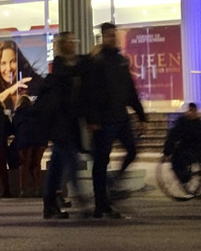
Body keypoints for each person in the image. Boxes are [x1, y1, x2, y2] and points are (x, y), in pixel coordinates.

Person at [84, 22, 147, 220]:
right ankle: (101, 205)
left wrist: (141, 115)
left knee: (132, 150)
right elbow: (90, 92)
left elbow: (130, 90)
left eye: (114, 35)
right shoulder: (97, 60)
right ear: (103, 37)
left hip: (120, 117)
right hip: (103, 120)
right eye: (109, 35)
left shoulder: (120, 60)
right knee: (101, 162)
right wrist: (92, 119)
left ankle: (112, 185)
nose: (113, 38)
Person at [38, 32, 84, 218]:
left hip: (69, 124)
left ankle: (49, 204)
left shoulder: (74, 64)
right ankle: (80, 197)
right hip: (60, 124)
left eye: (75, 40)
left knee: (57, 165)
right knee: (70, 161)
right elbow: (62, 94)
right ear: (62, 44)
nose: (73, 43)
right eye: (70, 41)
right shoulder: (60, 66)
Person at [12, 95, 47, 198]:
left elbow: (14, 129)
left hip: (25, 140)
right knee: (37, 164)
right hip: (40, 140)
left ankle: (23, 189)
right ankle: (37, 188)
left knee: (24, 164)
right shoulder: (38, 113)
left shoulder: (18, 114)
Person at [0, 41, 38, 111]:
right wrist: (9, 91)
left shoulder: (31, 85)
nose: (9, 68)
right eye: (3, 63)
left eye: (13, 61)